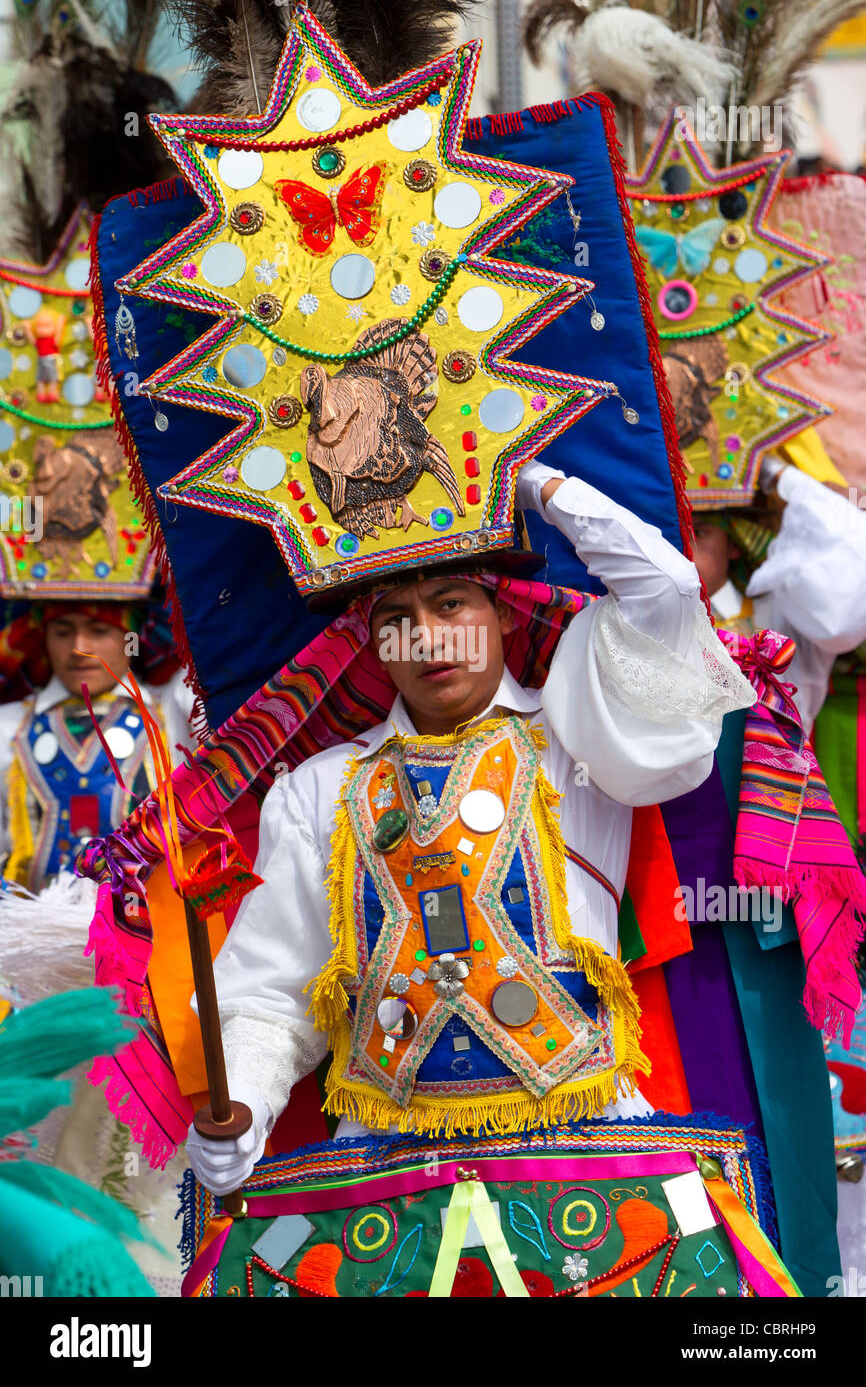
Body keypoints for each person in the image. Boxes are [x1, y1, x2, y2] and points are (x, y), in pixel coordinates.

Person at [185, 459, 754, 1197]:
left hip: (589, 1157)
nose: (426, 639)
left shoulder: (579, 735)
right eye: (395, 620)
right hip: (389, 1179)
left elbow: (669, 592)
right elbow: (268, 998)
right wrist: (246, 1111)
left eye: (451, 604)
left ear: (506, 612)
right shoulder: (318, 788)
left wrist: (524, 475)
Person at [0, 601, 195, 889]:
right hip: (28, 925)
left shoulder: (171, 710)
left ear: (132, 637)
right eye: (63, 632)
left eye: (100, 630)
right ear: (45, 639)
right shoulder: (9, 724)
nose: (79, 647)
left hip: (152, 923)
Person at [691, 454, 866, 734]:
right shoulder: (653, 619)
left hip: (779, 774)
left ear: (734, 544)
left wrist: (780, 475)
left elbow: (852, 556)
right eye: (673, 535)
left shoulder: (786, 612)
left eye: (699, 532)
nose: (683, 549)